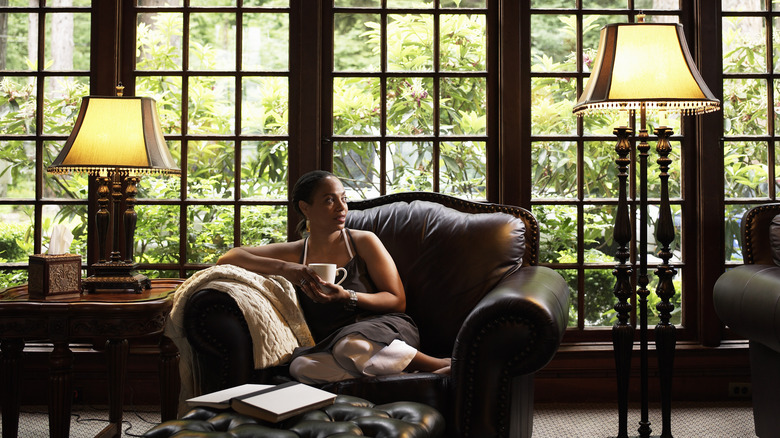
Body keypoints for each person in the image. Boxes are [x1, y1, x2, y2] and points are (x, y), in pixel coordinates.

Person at [217, 170, 450, 384]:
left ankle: (437, 365)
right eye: (329, 200)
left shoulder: (364, 241)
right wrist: (286, 268)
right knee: (300, 367)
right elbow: (229, 257)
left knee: (350, 346)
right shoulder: (296, 252)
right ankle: (404, 376)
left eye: (344, 199)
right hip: (331, 343)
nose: (342, 208)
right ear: (305, 208)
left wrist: (348, 296)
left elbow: (397, 300)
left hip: (384, 331)